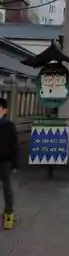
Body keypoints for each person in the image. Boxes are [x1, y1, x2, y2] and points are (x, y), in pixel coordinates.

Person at [0, 98, 19, 229]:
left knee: (7, 189)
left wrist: (15, 164)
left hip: (4, 161)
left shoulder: (8, 125)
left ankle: (8, 215)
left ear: (4, 110)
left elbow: (14, 146)